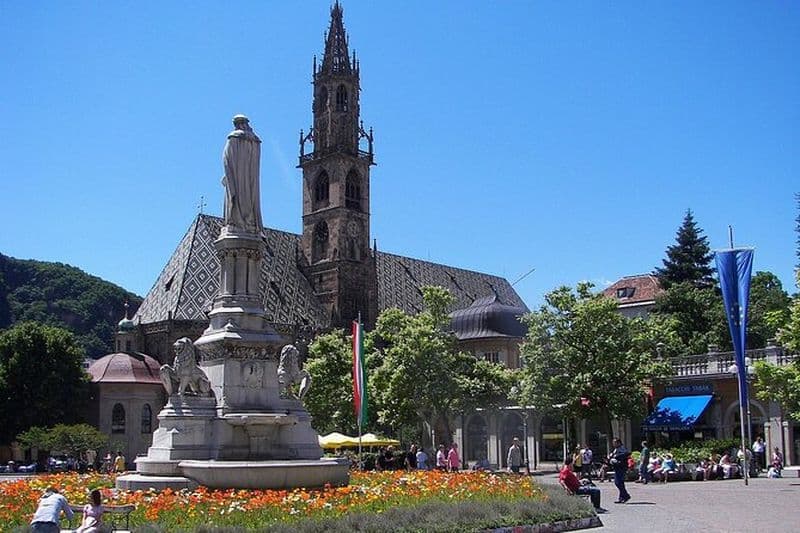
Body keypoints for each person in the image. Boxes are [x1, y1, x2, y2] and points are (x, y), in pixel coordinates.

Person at [222, 114, 263, 233]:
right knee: (248, 200)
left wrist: (228, 172)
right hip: (249, 181)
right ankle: (248, 221)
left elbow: (227, 159)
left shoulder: (234, 138)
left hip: (236, 177)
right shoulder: (255, 141)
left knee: (237, 200)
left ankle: (238, 221)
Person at [609, 437, 631, 503]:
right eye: (613, 442)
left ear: (618, 443)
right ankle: (622, 497)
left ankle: (626, 496)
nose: (613, 444)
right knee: (619, 483)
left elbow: (625, 454)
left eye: (615, 442)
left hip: (621, 467)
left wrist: (615, 456)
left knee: (618, 482)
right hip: (617, 467)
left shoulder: (622, 448)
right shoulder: (616, 449)